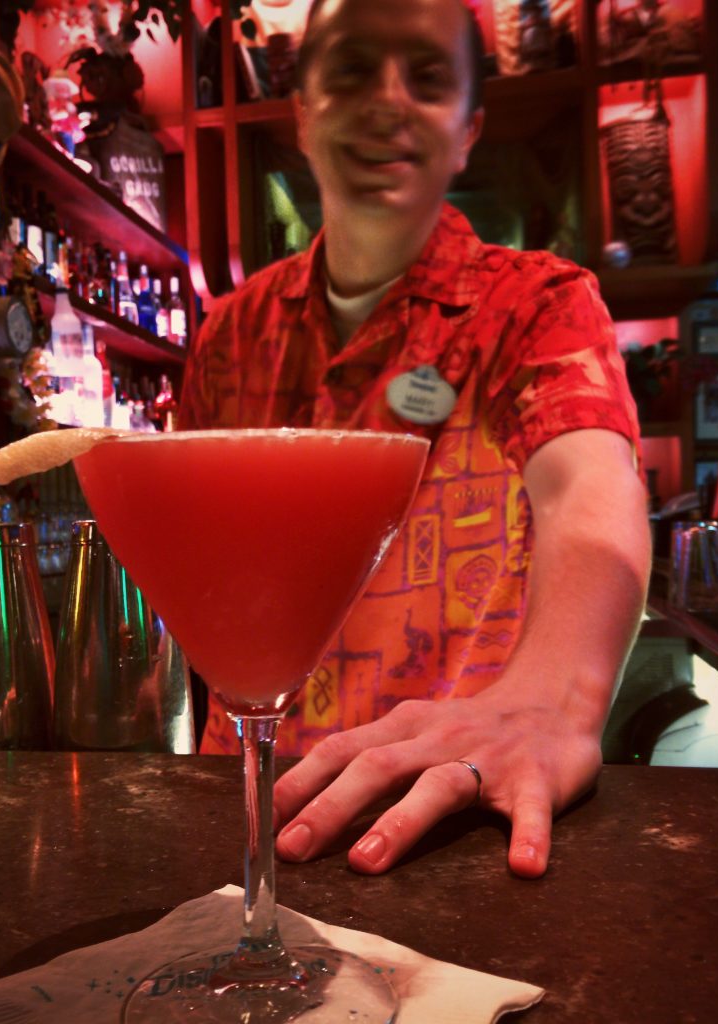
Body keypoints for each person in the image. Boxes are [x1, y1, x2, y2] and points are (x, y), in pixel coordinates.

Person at [178, 0, 652, 880]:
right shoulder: (227, 331)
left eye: (427, 80)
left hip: (436, 826)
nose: (387, 101)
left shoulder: (536, 305)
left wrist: (552, 703)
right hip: (242, 812)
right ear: (304, 110)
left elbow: (588, 489)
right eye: (352, 71)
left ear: (468, 129)